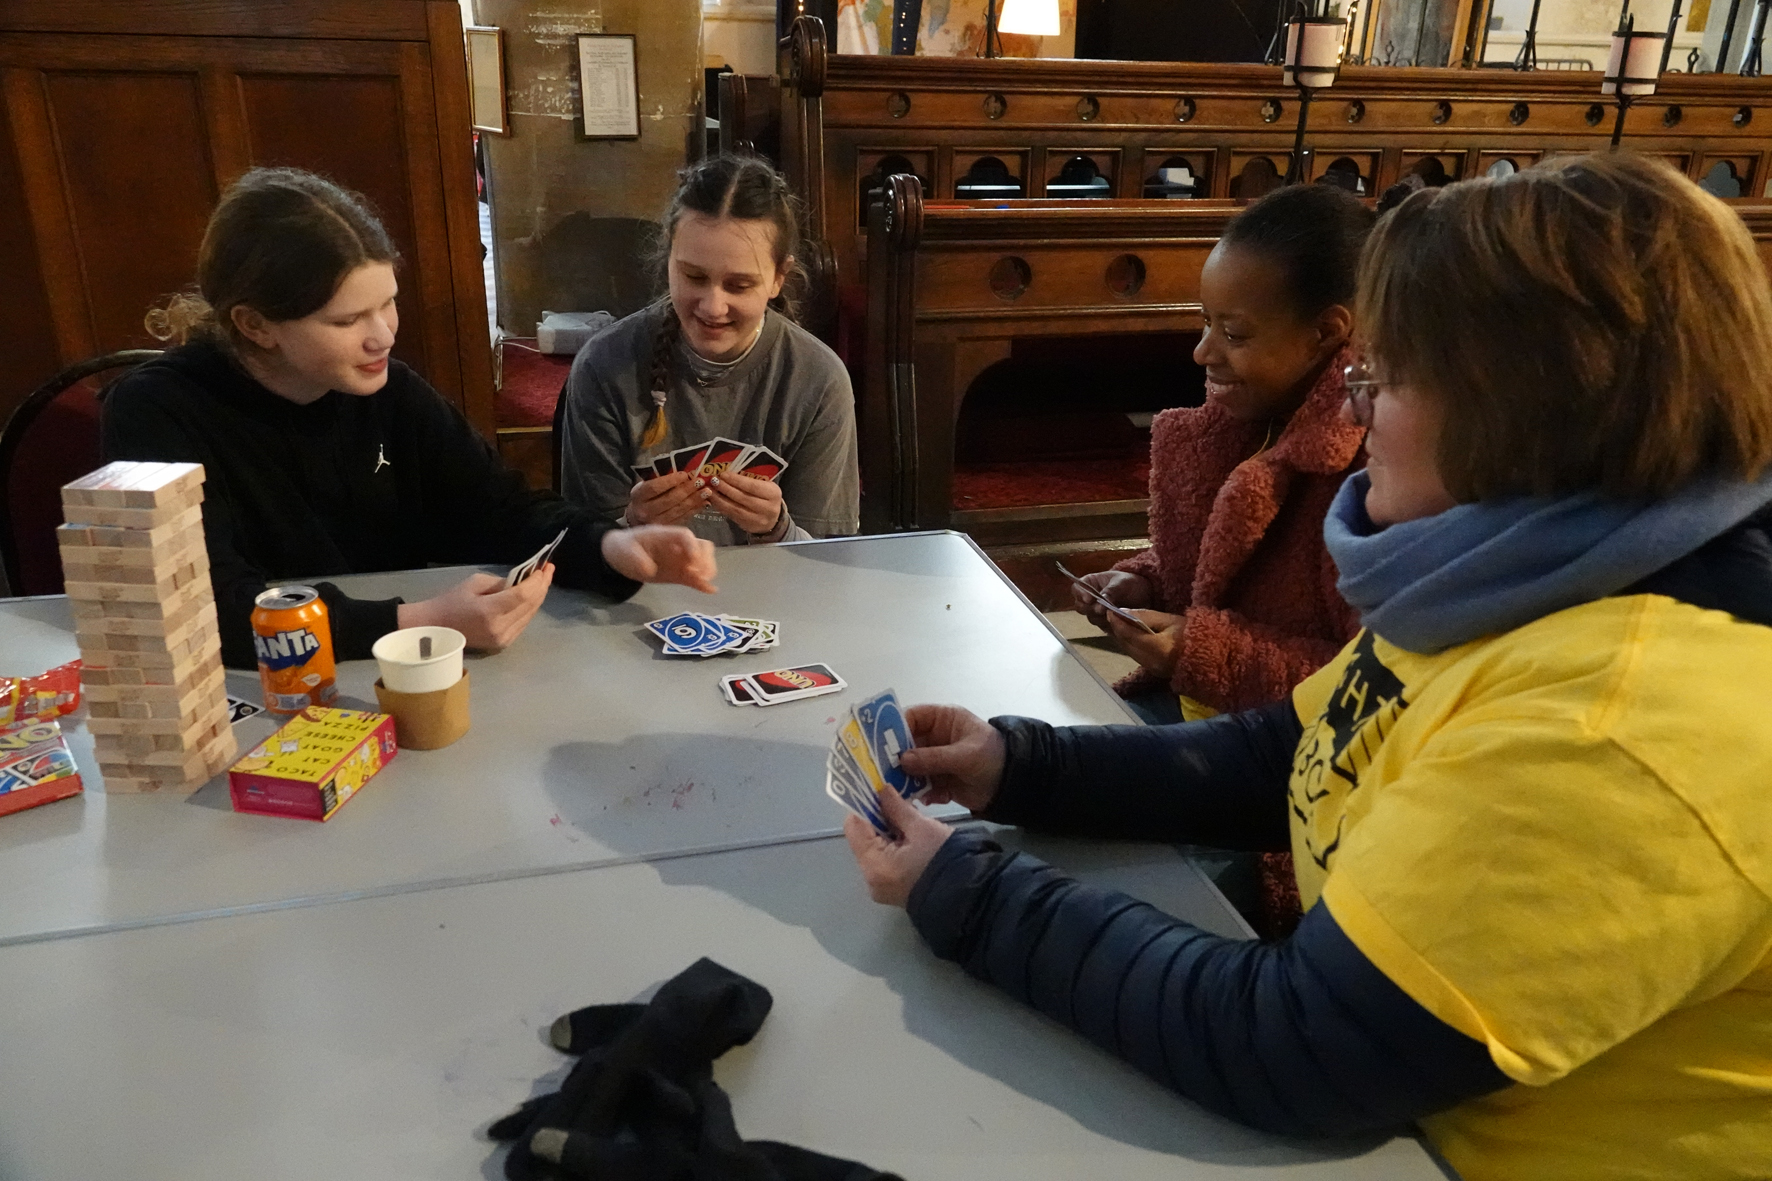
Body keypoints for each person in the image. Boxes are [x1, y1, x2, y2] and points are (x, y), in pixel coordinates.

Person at [844, 153, 1772, 1179]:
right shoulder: (1511, 569)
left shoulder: (1615, 724)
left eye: (1381, 377)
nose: (1356, 407)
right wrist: (1014, 764)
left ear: (1524, 405)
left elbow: (1286, 1042)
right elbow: (1289, 749)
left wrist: (964, 888)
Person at [105, 168, 716, 670]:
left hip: (383, 679)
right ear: (255, 325)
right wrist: (418, 622)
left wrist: (610, 546)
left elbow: (499, 507)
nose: (382, 338)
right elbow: (202, 614)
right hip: (262, 695)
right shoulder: (155, 414)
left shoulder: (386, 389)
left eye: (388, 303)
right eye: (346, 321)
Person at [1074, 182, 1374, 937]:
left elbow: (1368, 691)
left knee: (1113, 903)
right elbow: (1219, 566)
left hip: (1286, 791)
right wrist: (1141, 576)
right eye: (1206, 323)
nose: (1203, 351)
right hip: (1202, 718)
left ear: (1325, 335)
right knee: (1039, 780)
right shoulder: (1243, 426)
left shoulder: (1373, 474)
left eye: (1232, 332)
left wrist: (1196, 651)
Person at [558, 154, 859, 546]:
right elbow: (578, 546)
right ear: (669, 257)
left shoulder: (819, 380)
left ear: (778, 279)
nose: (712, 307)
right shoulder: (604, 365)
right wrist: (630, 526)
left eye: (739, 286)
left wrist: (777, 530)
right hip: (642, 596)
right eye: (694, 276)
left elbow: (831, 565)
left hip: (771, 599)